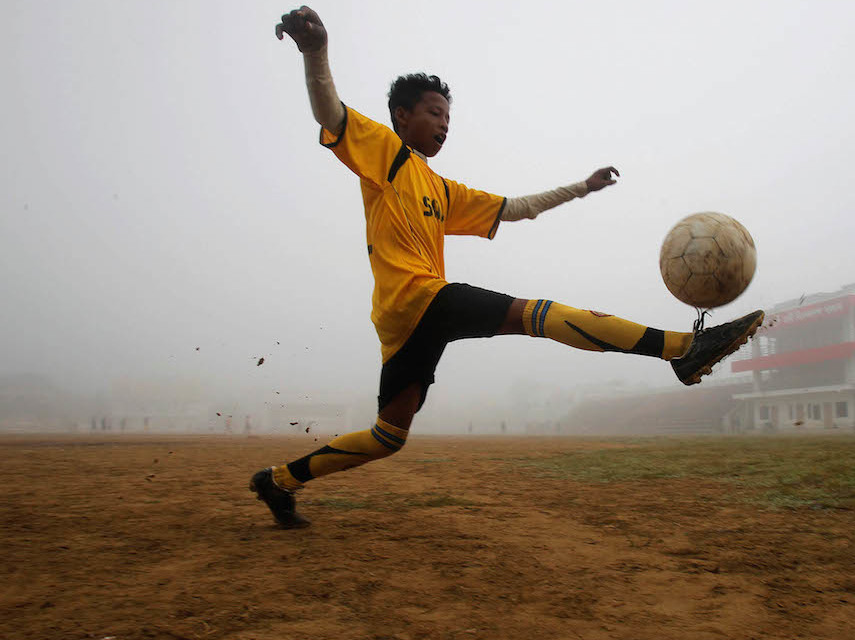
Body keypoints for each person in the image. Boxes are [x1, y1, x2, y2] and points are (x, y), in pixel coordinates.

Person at [251, 6, 764, 529]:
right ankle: (681, 348)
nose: (444, 125)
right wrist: (316, 52)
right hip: (419, 297)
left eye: (448, 118)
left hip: (404, 322)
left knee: (388, 438)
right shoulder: (385, 153)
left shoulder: (441, 189)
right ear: (402, 116)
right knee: (535, 314)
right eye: (434, 113)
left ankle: (278, 481)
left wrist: (580, 188)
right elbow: (330, 115)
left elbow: (516, 208)